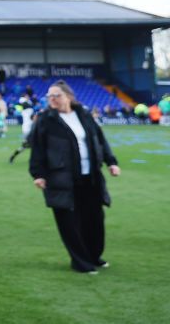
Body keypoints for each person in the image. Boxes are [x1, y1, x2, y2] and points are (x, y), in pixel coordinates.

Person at [29, 81, 120, 274]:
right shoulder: (46, 120)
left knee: (94, 219)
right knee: (69, 222)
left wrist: (111, 162)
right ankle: (80, 262)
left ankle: (93, 256)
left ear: (68, 96)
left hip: (90, 177)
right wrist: (38, 174)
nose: (52, 99)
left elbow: (100, 140)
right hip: (61, 178)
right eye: (49, 96)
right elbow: (37, 148)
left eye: (56, 95)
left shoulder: (84, 115)